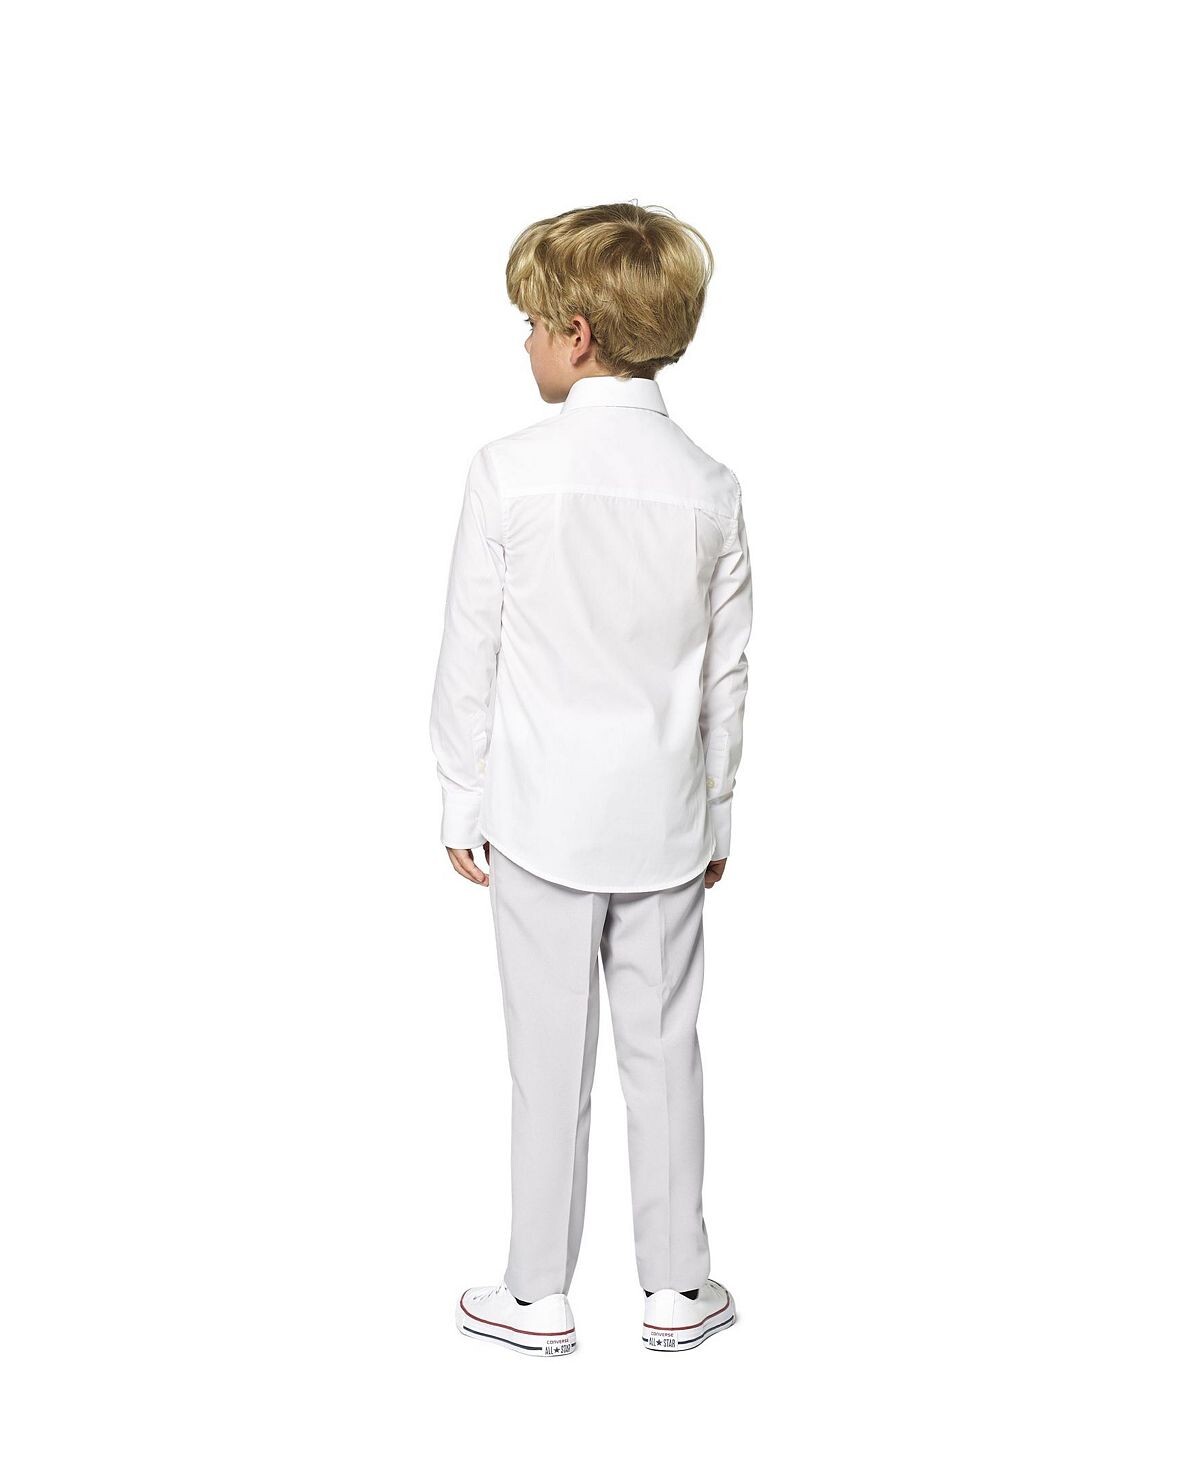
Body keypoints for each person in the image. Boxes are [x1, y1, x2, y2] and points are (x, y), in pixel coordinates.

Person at [430, 203, 752, 1356]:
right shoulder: (711, 485)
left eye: (530, 323)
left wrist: (461, 794)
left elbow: (471, 652)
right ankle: (676, 1287)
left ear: (577, 334)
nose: (524, 342)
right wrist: (719, 810)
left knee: (545, 1057)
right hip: (664, 814)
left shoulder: (509, 472)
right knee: (664, 1053)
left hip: (538, 812)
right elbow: (725, 674)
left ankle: (536, 1290)